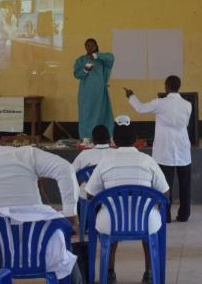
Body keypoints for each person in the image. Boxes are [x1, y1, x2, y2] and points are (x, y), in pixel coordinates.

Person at [0, 121, 80, 282]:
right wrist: (70, 213)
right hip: (44, 253)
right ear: (0, 141)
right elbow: (65, 169)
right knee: (72, 267)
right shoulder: (26, 154)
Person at [86, 117, 170, 284]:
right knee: (149, 228)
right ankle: (150, 273)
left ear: (114, 140)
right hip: (146, 222)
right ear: (136, 140)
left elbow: (90, 194)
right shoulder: (148, 161)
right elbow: (165, 193)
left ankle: (109, 273)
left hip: (110, 221)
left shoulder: (105, 161)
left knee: (113, 220)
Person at [124, 75, 192, 222]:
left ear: (166, 87)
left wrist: (131, 96)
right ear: (179, 86)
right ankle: (184, 214)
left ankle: (165, 215)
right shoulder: (188, 105)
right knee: (185, 184)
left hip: (164, 150)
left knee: (164, 185)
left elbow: (140, 108)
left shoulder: (159, 104)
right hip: (183, 150)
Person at [74, 38, 115, 143]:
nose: (90, 47)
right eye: (87, 45)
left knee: (104, 114)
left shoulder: (102, 60)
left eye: (92, 45)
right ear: (85, 47)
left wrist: (97, 56)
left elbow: (111, 57)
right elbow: (76, 74)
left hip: (100, 93)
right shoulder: (81, 60)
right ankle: (86, 138)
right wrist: (84, 70)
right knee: (85, 114)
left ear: (96, 46)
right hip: (86, 93)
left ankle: (108, 136)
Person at [71, 125, 113, 196]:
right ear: (109, 139)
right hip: (112, 194)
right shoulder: (117, 154)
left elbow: (70, 172)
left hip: (88, 195)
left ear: (93, 140)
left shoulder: (84, 154)